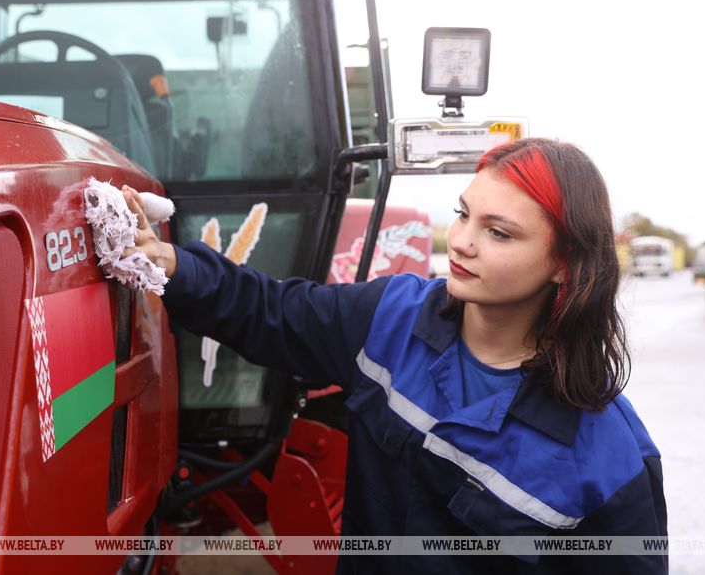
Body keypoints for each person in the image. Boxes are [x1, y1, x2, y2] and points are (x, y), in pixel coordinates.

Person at [121, 137, 668, 574]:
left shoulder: (610, 460)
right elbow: (270, 310)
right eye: (462, 215)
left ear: (565, 265)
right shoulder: (391, 319)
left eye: (498, 233)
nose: (460, 242)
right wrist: (170, 262)